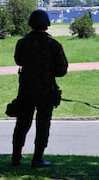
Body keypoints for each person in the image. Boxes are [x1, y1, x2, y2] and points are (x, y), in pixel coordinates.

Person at [11, 9, 68, 168]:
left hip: (26, 91)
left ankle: (16, 158)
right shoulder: (54, 45)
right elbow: (62, 70)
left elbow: (18, 60)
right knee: (43, 126)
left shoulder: (22, 43)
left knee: (22, 124)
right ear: (47, 24)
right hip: (46, 91)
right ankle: (38, 158)